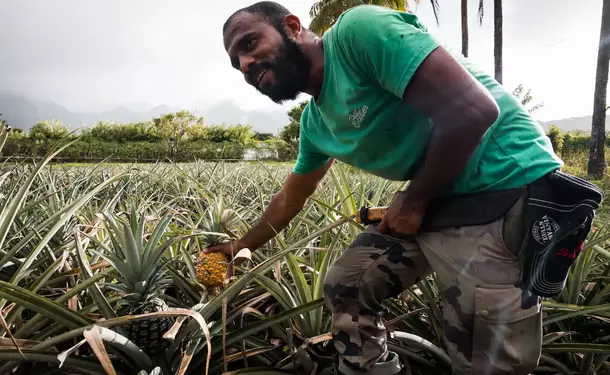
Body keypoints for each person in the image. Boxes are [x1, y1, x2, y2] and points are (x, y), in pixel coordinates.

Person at [208, 2, 603, 374]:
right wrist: (236, 246)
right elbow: (291, 197)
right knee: (348, 284)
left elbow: (474, 111)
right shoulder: (316, 124)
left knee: (486, 358)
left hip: (503, 184)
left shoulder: (356, 33)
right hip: (440, 198)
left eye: (250, 42)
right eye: (236, 64)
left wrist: (414, 200)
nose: (245, 63)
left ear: (292, 27)